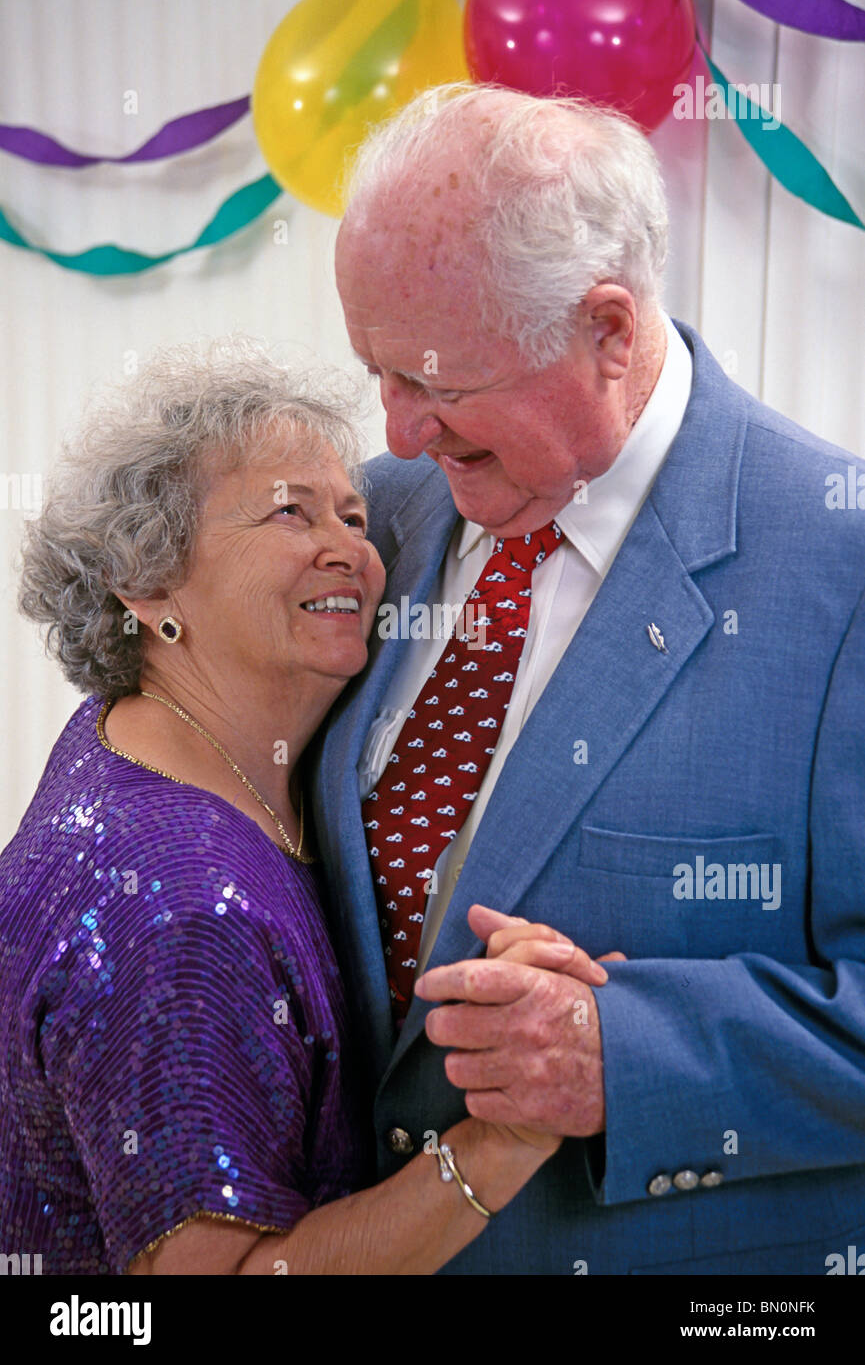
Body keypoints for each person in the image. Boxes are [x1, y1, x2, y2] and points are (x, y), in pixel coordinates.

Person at [312, 82, 865, 1275]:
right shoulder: (376, 515)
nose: (399, 431)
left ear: (607, 330)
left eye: (437, 386)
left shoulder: (842, 564)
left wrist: (635, 1052)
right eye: (378, 376)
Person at [0, 336, 611, 1276]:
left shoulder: (137, 734)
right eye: (291, 514)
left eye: (355, 517)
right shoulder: (177, 908)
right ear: (150, 584)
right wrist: (501, 1141)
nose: (351, 553)